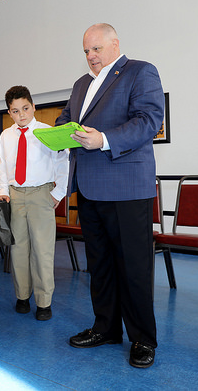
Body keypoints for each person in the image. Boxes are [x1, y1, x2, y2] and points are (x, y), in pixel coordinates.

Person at [56, 23, 164, 368]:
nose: (90, 56)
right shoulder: (80, 85)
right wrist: (55, 134)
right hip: (88, 188)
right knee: (99, 265)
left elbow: (149, 120)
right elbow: (65, 119)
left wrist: (103, 139)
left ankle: (143, 339)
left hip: (127, 187)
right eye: (86, 51)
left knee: (133, 266)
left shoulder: (140, 72)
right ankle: (105, 328)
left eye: (96, 49)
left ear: (115, 44)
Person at [0, 85, 68, 321]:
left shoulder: (48, 132)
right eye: (15, 111)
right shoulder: (6, 136)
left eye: (25, 108)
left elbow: (63, 164)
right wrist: (3, 191)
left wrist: (58, 193)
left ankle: (44, 302)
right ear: (9, 112)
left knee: (42, 250)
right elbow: (2, 167)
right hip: (16, 196)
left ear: (33, 106)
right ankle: (22, 296)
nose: (21, 115)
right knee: (18, 249)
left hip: (41, 195)